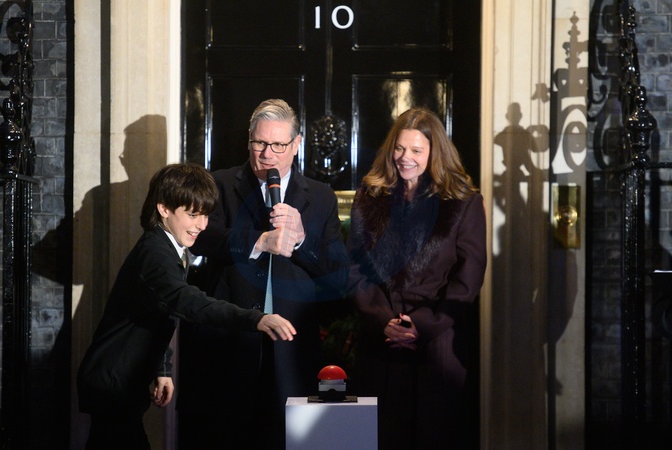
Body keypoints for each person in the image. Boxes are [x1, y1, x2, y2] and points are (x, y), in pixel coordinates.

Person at [76, 163, 296, 450]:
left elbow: (156, 313)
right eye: (192, 215)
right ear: (164, 208)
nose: (202, 225)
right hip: (113, 384)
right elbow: (187, 301)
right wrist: (256, 319)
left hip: (121, 384)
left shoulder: (167, 247)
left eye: (205, 215)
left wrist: (162, 369)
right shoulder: (155, 252)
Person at [177, 99, 349, 449]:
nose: (268, 154)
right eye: (260, 143)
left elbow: (338, 274)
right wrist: (258, 241)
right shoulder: (219, 183)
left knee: (288, 440)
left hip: (291, 346)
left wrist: (301, 240)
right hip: (228, 340)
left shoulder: (320, 196)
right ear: (249, 140)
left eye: (278, 145)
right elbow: (201, 239)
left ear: (296, 144)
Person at [346, 107, 486, 449]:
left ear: (434, 153)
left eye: (416, 150)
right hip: (379, 342)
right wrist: (383, 320)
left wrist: (422, 325)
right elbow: (353, 267)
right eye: (399, 148)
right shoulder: (369, 196)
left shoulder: (464, 202)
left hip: (436, 345)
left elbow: (468, 278)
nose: (404, 157)